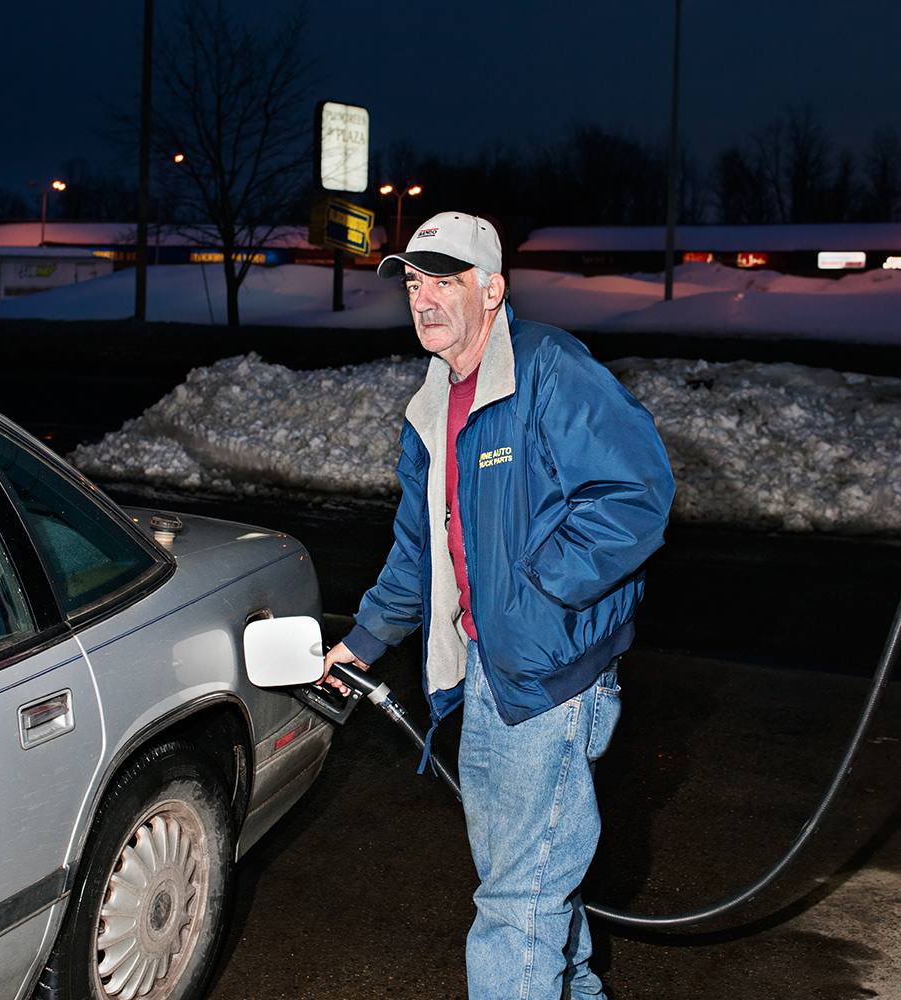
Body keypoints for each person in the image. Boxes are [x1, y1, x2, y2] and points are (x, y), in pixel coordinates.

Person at [322, 212, 674, 1000]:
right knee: (529, 871)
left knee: (517, 902)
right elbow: (420, 545)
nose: (424, 300)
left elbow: (638, 494)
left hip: (549, 679)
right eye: (415, 283)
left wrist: (539, 589)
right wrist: (368, 638)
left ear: (493, 291)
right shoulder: (433, 401)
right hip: (481, 670)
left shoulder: (551, 369)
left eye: (443, 281)